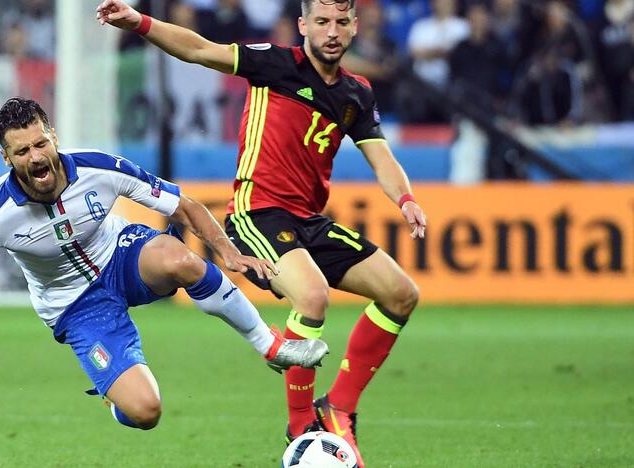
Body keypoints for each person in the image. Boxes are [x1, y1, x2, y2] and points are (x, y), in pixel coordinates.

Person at [97, 0, 427, 465]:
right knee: (312, 299)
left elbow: (381, 158)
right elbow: (198, 50)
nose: (331, 32)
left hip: (309, 221)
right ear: (303, 25)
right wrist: (142, 23)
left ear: (354, 27)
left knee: (400, 293)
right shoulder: (275, 65)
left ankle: (338, 408)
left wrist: (407, 199)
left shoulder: (357, 94)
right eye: (321, 22)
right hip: (258, 212)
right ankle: (299, 429)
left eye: (340, 22)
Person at [0, 98, 329, 431]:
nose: (36, 157)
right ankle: (117, 398)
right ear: (6, 158)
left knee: (180, 259)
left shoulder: (99, 167)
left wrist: (227, 251)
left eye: (41, 143)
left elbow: (183, 206)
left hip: (120, 254)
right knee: (146, 412)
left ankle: (269, 346)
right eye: (22, 151)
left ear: (53, 136)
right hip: (73, 307)